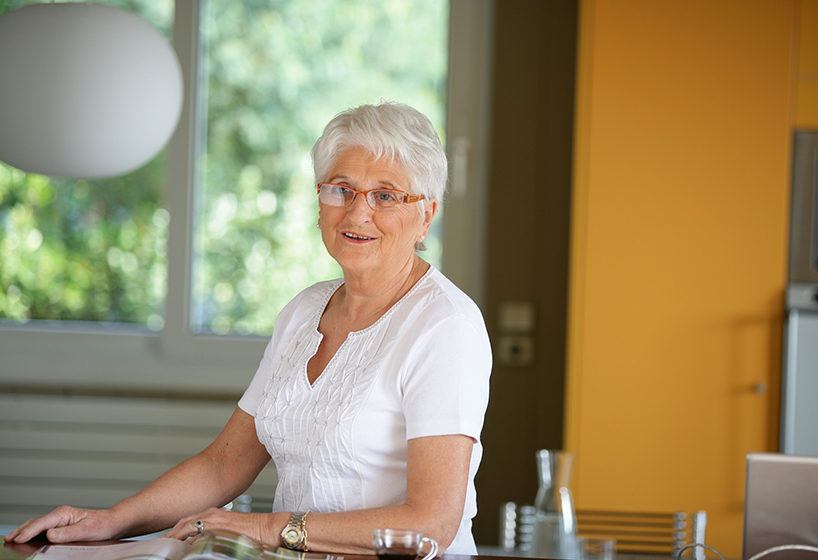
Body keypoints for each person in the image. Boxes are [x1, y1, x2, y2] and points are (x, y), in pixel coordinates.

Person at [5, 102, 492, 555]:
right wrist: (111, 520)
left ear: (426, 214)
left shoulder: (445, 327)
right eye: (341, 189)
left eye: (385, 195)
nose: (357, 212)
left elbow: (431, 522)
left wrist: (264, 527)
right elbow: (225, 464)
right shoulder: (305, 311)